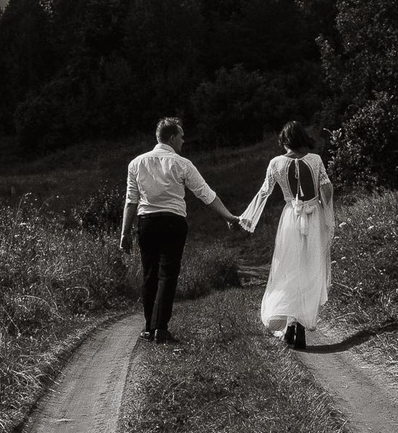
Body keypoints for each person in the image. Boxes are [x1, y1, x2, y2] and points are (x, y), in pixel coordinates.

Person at [120, 115, 244, 343]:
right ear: (173, 137)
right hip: (173, 222)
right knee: (168, 274)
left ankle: (148, 326)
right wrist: (228, 216)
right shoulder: (182, 164)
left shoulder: (136, 163)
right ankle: (161, 328)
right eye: (182, 137)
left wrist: (125, 233)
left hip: (146, 222)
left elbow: (131, 200)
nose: (183, 141)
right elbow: (205, 193)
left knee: (149, 274)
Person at [236, 120, 333, 349]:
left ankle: (290, 325)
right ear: (302, 138)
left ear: (285, 141)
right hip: (313, 215)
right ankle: (299, 325)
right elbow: (327, 188)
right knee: (309, 268)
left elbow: (264, 192)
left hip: (290, 217)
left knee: (290, 269)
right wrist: (326, 212)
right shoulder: (315, 160)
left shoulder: (275, 163)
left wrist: (247, 218)